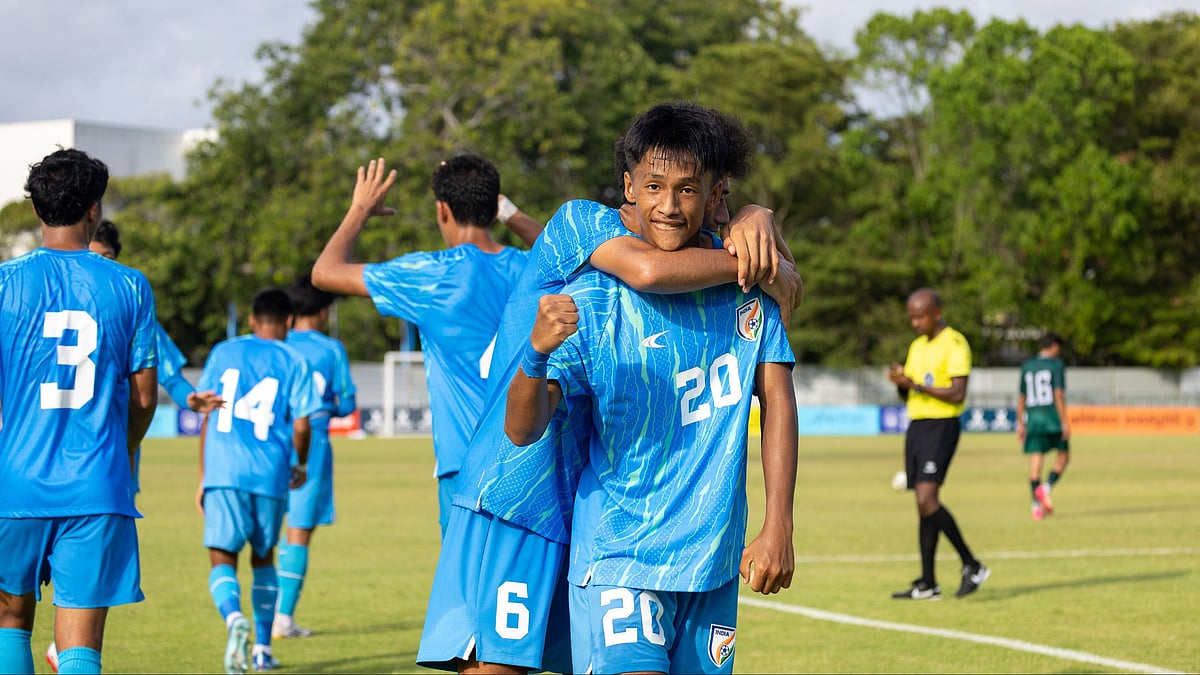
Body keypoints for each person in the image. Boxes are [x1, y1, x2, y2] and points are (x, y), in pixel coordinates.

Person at [415, 103, 802, 675]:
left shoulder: (737, 291)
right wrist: (755, 262)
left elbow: (779, 381)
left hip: (604, 505)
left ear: (713, 193)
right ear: (629, 184)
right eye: (652, 186)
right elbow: (648, 272)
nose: (668, 204)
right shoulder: (583, 237)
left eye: (688, 190)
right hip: (518, 486)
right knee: (494, 667)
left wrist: (757, 225)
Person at [311, 154, 530, 537]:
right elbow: (571, 257)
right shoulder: (530, 268)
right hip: (530, 464)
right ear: (494, 206)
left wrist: (360, 210)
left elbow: (325, 272)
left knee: (465, 593)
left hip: (464, 463)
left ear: (442, 210)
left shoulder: (431, 275)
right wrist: (511, 213)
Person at [0, 148, 158, 675]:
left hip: (15, 483)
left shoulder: (4, 283)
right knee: (78, 648)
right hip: (96, 484)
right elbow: (143, 399)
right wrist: (125, 448)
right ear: (94, 208)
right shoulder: (129, 284)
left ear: (35, 208)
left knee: (9, 624)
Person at [42, 220, 222, 673]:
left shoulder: (123, 299)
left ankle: (57, 643)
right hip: (85, 465)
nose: (92, 266)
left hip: (99, 466)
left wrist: (188, 398)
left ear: (112, 257)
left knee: (59, 594)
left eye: (102, 259)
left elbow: (167, 375)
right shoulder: (74, 294)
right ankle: (61, 647)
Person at [196, 288, 320, 674]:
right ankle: (263, 650)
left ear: (251, 320)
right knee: (264, 559)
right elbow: (302, 424)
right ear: (288, 322)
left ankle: (234, 619)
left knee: (223, 558)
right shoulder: (294, 360)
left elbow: (207, 412)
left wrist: (204, 475)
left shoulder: (223, 351)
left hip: (223, 470)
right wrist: (299, 463)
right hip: (269, 473)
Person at [887, 288, 989, 600]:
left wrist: (916, 384)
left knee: (927, 499)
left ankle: (972, 564)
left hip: (941, 426)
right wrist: (902, 383)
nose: (915, 323)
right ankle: (928, 583)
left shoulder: (955, 343)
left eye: (920, 316)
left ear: (936, 314)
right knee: (922, 502)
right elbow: (911, 394)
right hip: (917, 426)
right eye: (912, 318)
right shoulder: (917, 346)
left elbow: (957, 392)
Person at [273, 274, 357, 638]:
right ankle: (283, 618)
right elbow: (348, 403)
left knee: (267, 530)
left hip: (273, 439)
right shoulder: (330, 349)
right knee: (299, 531)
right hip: (314, 441)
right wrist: (324, 410)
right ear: (323, 313)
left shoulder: (278, 345)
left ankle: (262, 619)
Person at [1016, 332, 1070, 520]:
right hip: (1052, 419)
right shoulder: (1056, 365)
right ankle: (1045, 488)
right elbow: (1058, 394)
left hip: (1033, 420)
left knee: (1035, 466)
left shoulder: (1027, 366)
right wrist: (1064, 420)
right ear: (1054, 346)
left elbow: (1021, 396)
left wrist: (1020, 422)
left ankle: (1035, 508)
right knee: (1063, 457)